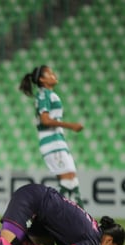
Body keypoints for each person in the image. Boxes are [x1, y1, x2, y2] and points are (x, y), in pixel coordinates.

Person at [19, 66, 84, 208]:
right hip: (52, 143)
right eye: (50, 73)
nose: (54, 75)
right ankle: (43, 214)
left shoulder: (48, 94)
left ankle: (83, 220)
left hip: (58, 142)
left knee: (72, 181)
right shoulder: (43, 95)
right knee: (68, 181)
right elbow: (45, 120)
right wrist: (71, 125)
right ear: (42, 79)